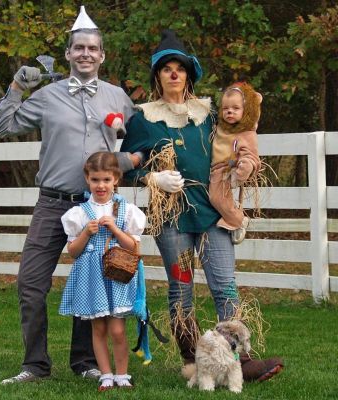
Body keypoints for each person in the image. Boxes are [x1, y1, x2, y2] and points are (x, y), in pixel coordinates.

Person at [120, 29, 283, 382]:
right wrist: (152, 179)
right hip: (172, 220)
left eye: (180, 67)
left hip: (212, 213)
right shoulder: (143, 119)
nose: (174, 73)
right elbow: (124, 171)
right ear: (158, 76)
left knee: (224, 286)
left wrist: (244, 168)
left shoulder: (207, 114)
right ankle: (193, 361)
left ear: (189, 74)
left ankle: (240, 360)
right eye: (167, 69)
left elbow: (239, 138)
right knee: (181, 290)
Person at [0, 6, 141, 385]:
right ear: (68, 54)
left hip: (97, 206)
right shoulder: (47, 96)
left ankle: (86, 361)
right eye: (79, 48)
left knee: (94, 282)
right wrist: (17, 87)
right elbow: (3, 126)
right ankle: (35, 365)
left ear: (102, 55)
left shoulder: (118, 97)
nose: (86, 54)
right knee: (30, 284)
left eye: (93, 48)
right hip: (52, 203)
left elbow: (141, 144)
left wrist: (127, 159)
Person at [59, 151, 146, 391]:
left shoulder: (125, 210)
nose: (101, 185)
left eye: (106, 180)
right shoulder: (78, 214)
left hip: (116, 276)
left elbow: (134, 247)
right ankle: (105, 374)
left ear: (116, 179)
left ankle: (122, 374)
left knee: (117, 329)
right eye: (95, 179)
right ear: (87, 179)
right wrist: (86, 232)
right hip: (91, 278)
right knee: (98, 328)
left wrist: (116, 231)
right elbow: (73, 252)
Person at [209, 82, 262, 245]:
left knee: (216, 198)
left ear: (245, 111)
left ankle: (237, 220)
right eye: (225, 109)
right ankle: (233, 217)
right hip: (212, 167)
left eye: (235, 108)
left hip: (227, 166)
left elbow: (251, 155)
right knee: (216, 197)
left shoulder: (246, 133)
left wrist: (245, 166)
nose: (229, 111)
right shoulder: (220, 127)